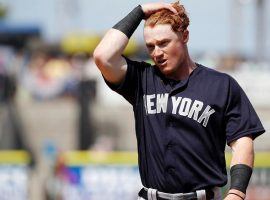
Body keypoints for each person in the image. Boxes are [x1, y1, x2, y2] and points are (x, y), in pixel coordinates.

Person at [93, 2, 265, 200]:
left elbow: (242, 141)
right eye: (150, 46)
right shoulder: (142, 79)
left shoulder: (221, 85)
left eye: (164, 43)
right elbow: (102, 56)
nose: (156, 53)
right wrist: (140, 11)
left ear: (185, 36)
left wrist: (237, 192)